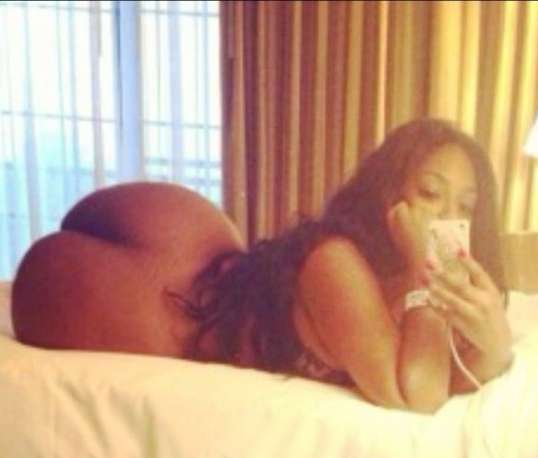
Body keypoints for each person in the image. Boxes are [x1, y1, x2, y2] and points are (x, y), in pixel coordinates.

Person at [12, 118, 512, 413]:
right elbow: (418, 396)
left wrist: (494, 343)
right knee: (37, 278)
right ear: (389, 196)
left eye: (465, 206)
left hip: (209, 258)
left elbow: (447, 377)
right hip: (178, 297)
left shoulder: (411, 283)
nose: (447, 218)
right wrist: (430, 274)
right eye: (430, 194)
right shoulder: (336, 259)